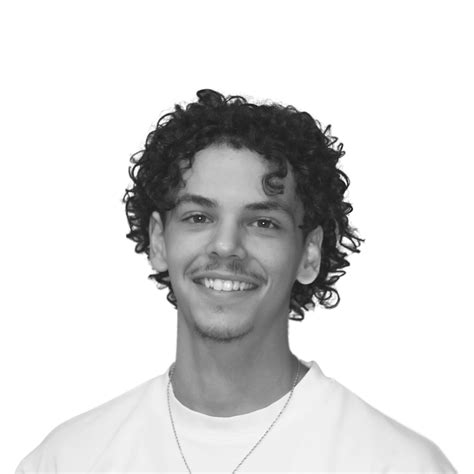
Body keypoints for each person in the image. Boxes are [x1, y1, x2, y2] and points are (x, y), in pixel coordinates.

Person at [16, 89, 456, 473]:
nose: (226, 246)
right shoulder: (66, 460)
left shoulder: (398, 464)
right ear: (159, 241)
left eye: (263, 222)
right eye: (198, 217)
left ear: (309, 253)